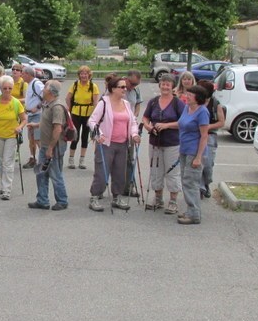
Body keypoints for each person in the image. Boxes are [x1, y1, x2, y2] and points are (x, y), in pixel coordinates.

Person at [87, 76, 141, 212]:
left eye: (125, 87)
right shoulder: (104, 103)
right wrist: (98, 134)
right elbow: (92, 121)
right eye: (121, 87)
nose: (125, 89)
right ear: (112, 89)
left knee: (120, 172)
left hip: (123, 143)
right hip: (106, 143)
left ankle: (117, 197)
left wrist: (134, 134)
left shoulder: (126, 103)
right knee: (101, 171)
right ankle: (95, 196)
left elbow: (133, 121)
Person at [141, 73, 184, 213]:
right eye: (163, 84)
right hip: (155, 142)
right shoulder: (153, 102)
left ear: (173, 87)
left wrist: (167, 125)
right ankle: (158, 198)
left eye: (168, 84)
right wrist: (148, 126)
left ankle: (173, 201)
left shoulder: (178, 103)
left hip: (172, 142)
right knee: (156, 170)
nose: (165, 86)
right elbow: (145, 118)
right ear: (159, 85)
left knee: (172, 171)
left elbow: (184, 122)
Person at [0, 75, 27, 201]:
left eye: (10, 88)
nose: (7, 90)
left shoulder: (16, 103)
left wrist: (20, 127)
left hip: (12, 135)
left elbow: (24, 119)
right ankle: (3, 186)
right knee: (2, 162)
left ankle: (7, 190)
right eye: (5, 88)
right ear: (0, 88)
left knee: (8, 163)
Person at [27, 80, 69, 211]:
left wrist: (50, 148)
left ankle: (62, 201)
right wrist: (36, 125)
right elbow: (48, 123)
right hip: (46, 145)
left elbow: (57, 129)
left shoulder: (57, 107)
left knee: (55, 174)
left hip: (53, 146)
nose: (42, 89)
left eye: (45, 87)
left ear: (51, 91)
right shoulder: (48, 104)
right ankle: (42, 200)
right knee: (41, 173)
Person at [176, 84, 210, 225]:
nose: (187, 97)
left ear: (198, 97)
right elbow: (180, 125)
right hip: (184, 150)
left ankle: (194, 214)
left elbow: (204, 136)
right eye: (187, 94)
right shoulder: (187, 108)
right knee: (186, 181)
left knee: (191, 183)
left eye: (190, 95)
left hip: (194, 152)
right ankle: (191, 210)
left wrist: (198, 157)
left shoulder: (202, 112)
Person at [66, 65, 99, 170]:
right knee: (75, 136)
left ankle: (82, 159)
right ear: (79, 75)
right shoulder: (75, 85)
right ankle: (71, 159)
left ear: (89, 75)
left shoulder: (93, 86)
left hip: (88, 114)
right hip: (76, 113)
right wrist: (70, 109)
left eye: (85, 73)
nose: (83, 75)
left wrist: (93, 116)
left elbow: (95, 102)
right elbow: (68, 98)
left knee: (85, 137)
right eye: (81, 73)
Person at [198, 79, 225, 199]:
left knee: (208, 165)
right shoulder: (195, 102)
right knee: (198, 164)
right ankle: (200, 188)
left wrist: (208, 126)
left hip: (210, 136)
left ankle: (206, 183)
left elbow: (221, 122)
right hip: (197, 136)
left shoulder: (215, 104)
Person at [21, 65, 45, 169]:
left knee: (38, 138)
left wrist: (38, 107)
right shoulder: (30, 84)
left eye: (23, 73)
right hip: (30, 115)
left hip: (37, 115)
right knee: (31, 139)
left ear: (28, 74)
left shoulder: (37, 83)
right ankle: (33, 158)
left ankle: (44, 160)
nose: (22, 75)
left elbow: (46, 96)